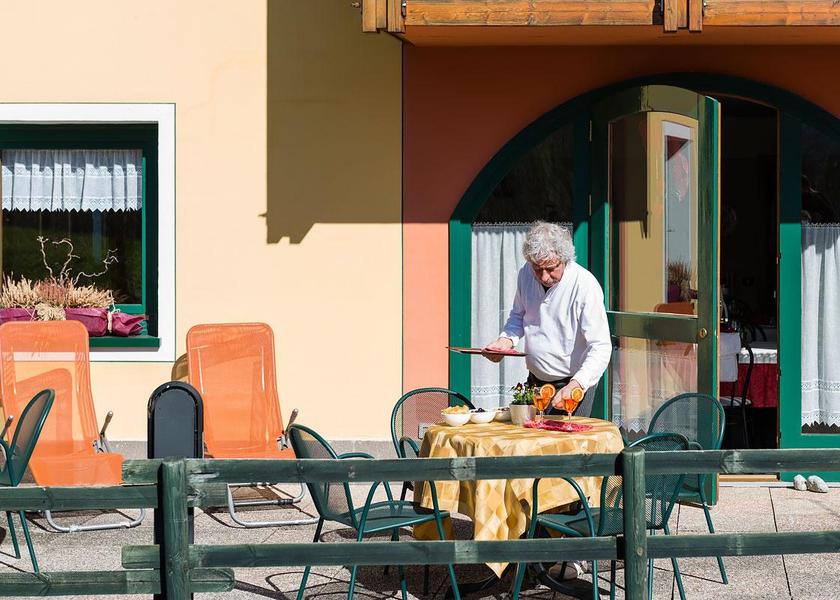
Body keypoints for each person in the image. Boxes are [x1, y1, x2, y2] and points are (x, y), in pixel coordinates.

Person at [484, 221, 611, 417]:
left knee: (567, 446)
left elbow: (601, 346)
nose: (544, 276)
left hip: (572, 384)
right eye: (537, 269)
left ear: (565, 259)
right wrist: (505, 341)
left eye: (551, 268)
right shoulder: (526, 273)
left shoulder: (585, 285)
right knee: (531, 444)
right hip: (534, 381)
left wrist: (578, 383)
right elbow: (519, 315)